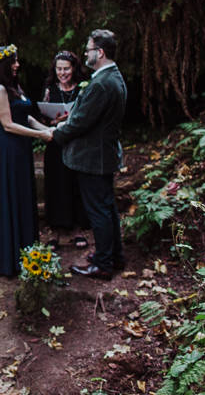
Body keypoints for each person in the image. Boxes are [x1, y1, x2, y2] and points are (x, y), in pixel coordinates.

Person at [29, 29, 127, 280]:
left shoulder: (102, 84)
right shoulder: (113, 77)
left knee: (99, 211)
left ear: (100, 52)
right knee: (107, 208)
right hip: (104, 154)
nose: (86, 53)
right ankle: (114, 256)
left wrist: (54, 133)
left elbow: (81, 122)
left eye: (89, 49)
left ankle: (104, 263)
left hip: (95, 158)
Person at [0, 44, 55, 278]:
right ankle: (9, 259)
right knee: (11, 196)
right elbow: (8, 124)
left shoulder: (15, 87)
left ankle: (27, 251)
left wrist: (48, 130)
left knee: (24, 195)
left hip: (22, 149)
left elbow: (26, 117)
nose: (17, 64)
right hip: (7, 150)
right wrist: (40, 136)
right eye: (13, 61)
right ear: (3, 65)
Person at [40, 50, 90, 250]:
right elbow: (42, 117)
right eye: (59, 69)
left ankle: (77, 230)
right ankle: (56, 231)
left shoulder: (82, 89)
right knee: (55, 184)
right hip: (55, 143)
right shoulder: (49, 89)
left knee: (75, 183)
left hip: (76, 143)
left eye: (66, 69)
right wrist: (51, 120)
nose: (62, 73)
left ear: (74, 68)